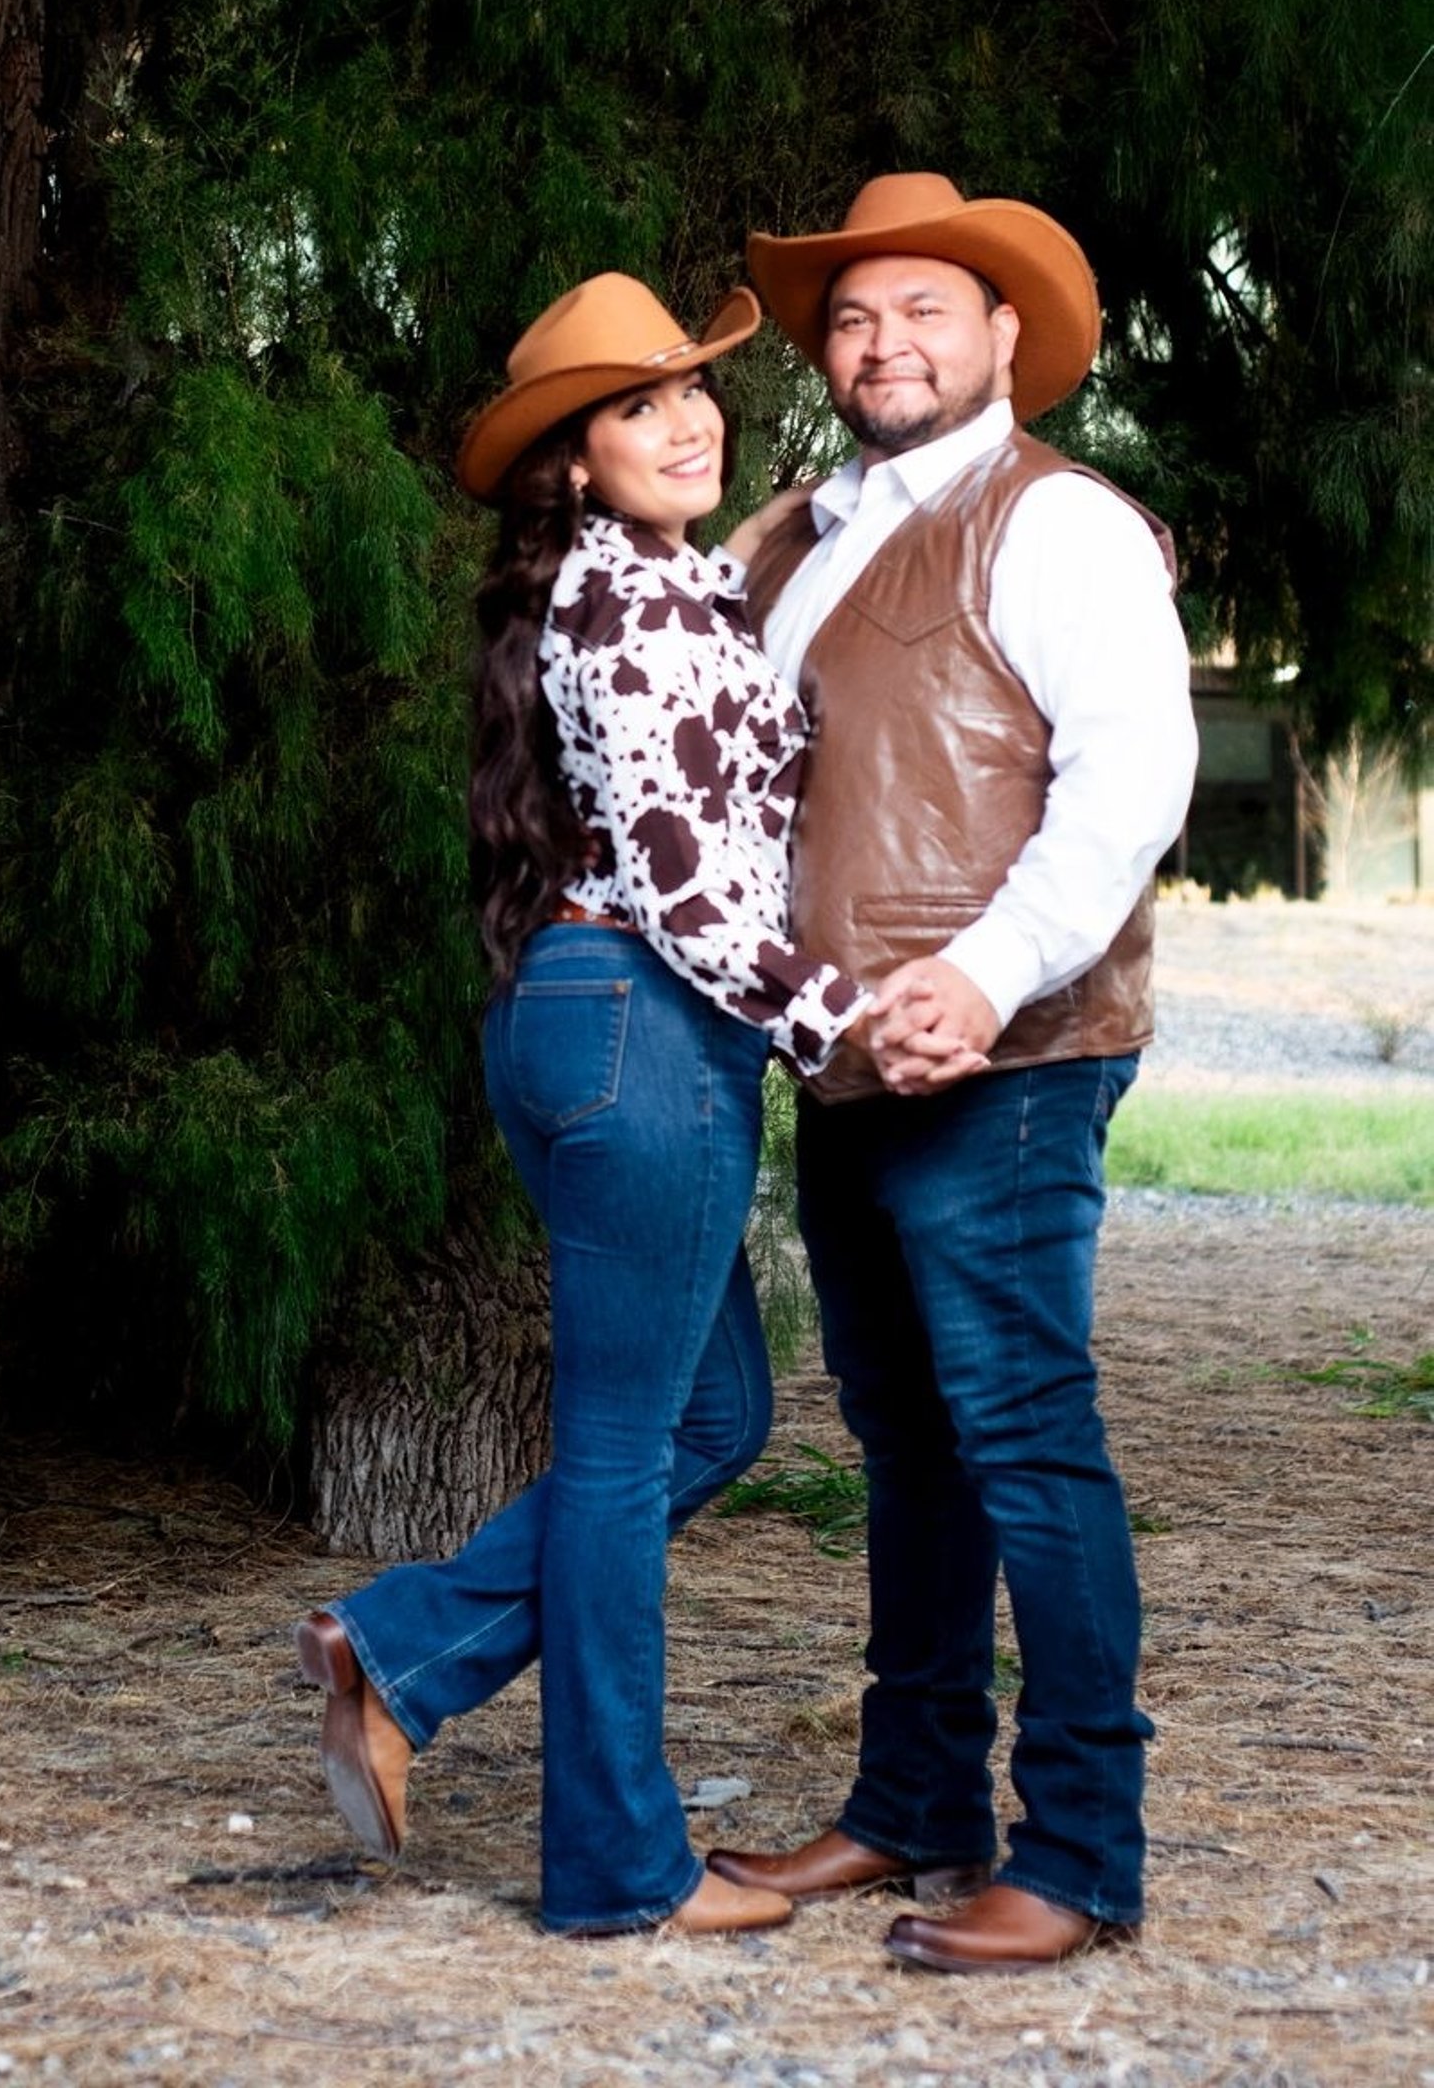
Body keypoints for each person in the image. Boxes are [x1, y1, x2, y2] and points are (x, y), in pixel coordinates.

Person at [293, 272, 944, 1939]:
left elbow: (756, 600)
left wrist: (859, 497)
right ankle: (616, 1868)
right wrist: (840, 1026)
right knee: (613, 1460)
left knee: (714, 1422)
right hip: (650, 1022)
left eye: (696, 393)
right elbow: (685, 885)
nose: (688, 421)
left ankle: (404, 1648)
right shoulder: (634, 606)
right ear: (572, 460)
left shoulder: (650, 584)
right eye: (641, 406)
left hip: (592, 1022)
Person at [709, 172, 1199, 1972]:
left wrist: (984, 978)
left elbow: (1129, 783)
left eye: (923, 308)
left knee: (1020, 1437)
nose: (881, 340)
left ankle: (1077, 1854)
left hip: (1006, 1053)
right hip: (843, 1058)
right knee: (907, 1447)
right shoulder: (793, 532)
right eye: (851, 317)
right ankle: (914, 1800)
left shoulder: (1056, 522)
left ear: (1004, 339)